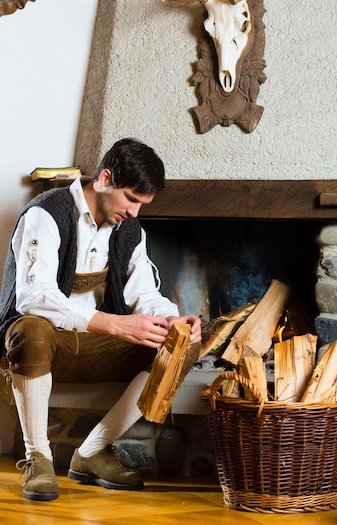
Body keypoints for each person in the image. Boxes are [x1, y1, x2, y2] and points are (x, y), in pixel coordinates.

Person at [0, 138, 201, 501]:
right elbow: (31, 297)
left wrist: (173, 318)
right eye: (132, 199)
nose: (135, 212)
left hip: (96, 348)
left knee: (182, 344)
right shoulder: (46, 213)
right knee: (30, 330)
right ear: (106, 178)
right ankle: (38, 458)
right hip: (45, 344)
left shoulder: (130, 231)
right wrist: (113, 323)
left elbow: (144, 295)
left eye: (142, 204)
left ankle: (92, 451)